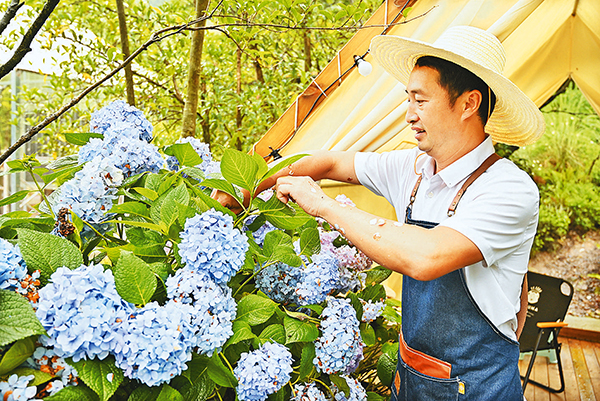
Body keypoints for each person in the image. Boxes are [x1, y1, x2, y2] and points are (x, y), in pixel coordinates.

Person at [216, 25, 545, 400]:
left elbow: (427, 256)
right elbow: (329, 162)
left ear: (469, 104)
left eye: (420, 101)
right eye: (408, 100)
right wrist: (251, 185)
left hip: (480, 389)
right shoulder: (413, 168)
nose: (409, 116)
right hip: (412, 380)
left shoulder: (508, 188)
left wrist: (322, 205)